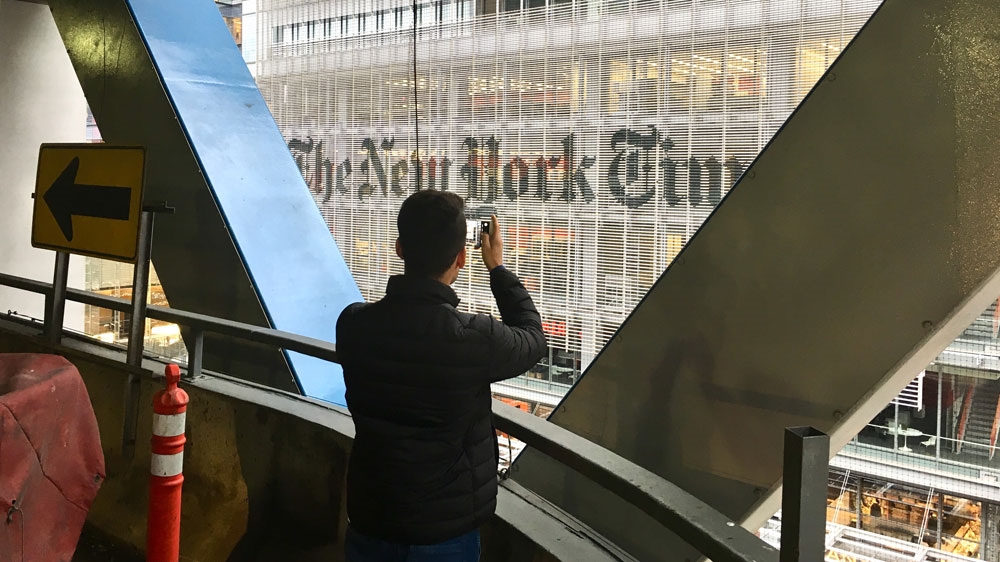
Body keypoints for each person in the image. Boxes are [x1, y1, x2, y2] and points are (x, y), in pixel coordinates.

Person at [336, 190, 547, 562]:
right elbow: (532, 338)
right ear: (461, 258)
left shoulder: (353, 324)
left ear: (400, 248)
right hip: (445, 533)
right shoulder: (474, 339)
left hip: (372, 517)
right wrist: (497, 268)